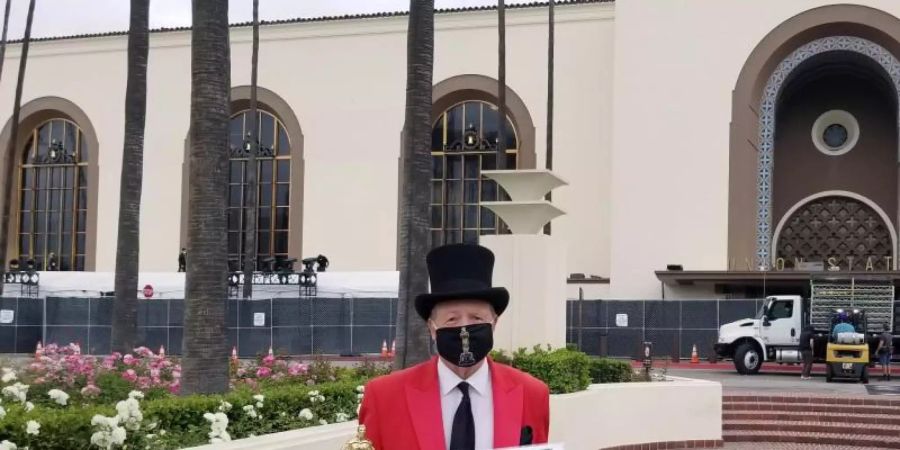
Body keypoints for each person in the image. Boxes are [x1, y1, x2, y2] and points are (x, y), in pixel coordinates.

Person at [359, 243, 550, 450]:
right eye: (451, 319)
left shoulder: (532, 394)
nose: (464, 327)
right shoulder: (384, 397)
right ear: (432, 328)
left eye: (476, 317)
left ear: (494, 323)